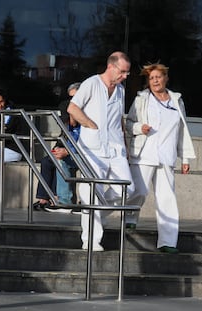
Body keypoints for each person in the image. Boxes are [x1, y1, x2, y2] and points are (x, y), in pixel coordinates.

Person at [67, 51, 135, 252]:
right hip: (93, 148)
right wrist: (89, 124)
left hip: (115, 148)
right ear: (111, 67)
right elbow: (72, 108)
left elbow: (119, 120)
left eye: (127, 73)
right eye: (122, 72)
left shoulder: (121, 90)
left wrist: (126, 145)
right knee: (91, 193)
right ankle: (91, 240)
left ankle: (98, 215)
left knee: (127, 190)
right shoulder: (91, 83)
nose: (125, 76)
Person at [125, 63, 196, 254]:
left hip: (167, 157)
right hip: (144, 153)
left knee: (167, 199)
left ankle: (168, 241)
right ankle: (130, 218)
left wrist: (186, 158)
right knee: (138, 190)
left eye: (158, 77)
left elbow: (182, 131)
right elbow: (128, 124)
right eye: (151, 78)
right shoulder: (142, 99)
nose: (155, 81)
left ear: (166, 78)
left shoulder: (176, 100)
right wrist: (140, 128)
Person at [33, 82, 80, 213]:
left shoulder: (89, 107)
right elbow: (69, 125)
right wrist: (73, 108)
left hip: (79, 147)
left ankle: (56, 197)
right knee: (47, 161)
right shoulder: (66, 105)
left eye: (76, 97)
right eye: (71, 97)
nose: (74, 100)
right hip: (65, 141)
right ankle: (44, 198)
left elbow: (76, 124)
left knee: (58, 161)